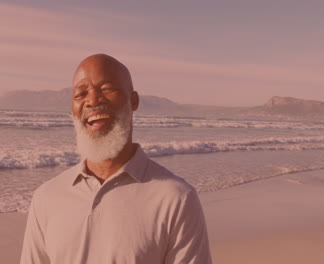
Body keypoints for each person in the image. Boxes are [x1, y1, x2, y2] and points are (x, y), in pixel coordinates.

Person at [20, 54, 212, 264]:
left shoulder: (175, 199)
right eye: (81, 94)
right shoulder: (47, 198)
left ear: (134, 101)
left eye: (107, 89)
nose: (92, 101)